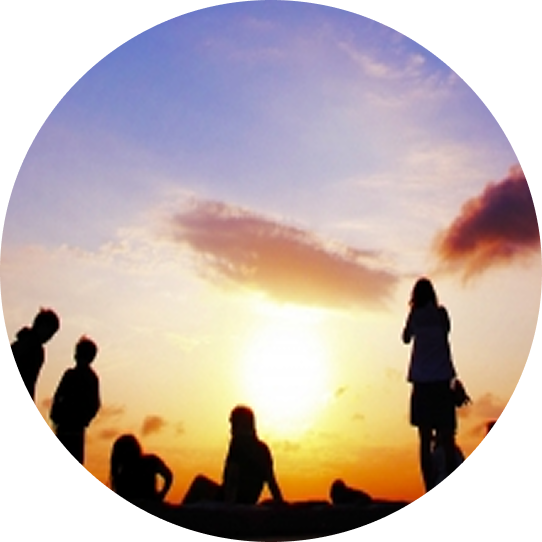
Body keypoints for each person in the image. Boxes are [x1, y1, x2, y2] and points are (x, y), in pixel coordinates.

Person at [402, 277, 459, 493]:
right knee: (447, 439)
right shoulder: (441, 314)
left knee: (425, 442)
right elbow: (446, 331)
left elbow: (405, 338)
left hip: (422, 384)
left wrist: (413, 316)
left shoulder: (415, 316)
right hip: (442, 382)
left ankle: (428, 486)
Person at [182, 405, 284, 505]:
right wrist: (281, 504)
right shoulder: (263, 449)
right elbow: (272, 482)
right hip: (249, 501)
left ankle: (180, 513)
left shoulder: (238, 444)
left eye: (234, 424)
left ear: (241, 424)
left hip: (232, 501)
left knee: (200, 483)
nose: (231, 429)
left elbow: (232, 477)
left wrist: (229, 508)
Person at [50, 336, 101, 464]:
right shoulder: (73, 375)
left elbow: (94, 405)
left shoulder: (87, 378)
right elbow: (57, 397)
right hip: (66, 426)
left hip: (74, 428)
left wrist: (82, 419)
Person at [10, 308, 60, 402]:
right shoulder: (32, 347)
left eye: (52, 334)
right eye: (50, 331)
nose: (49, 337)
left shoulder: (21, 343)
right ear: (41, 326)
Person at [110, 434, 173, 501]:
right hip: (150, 502)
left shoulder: (123, 474)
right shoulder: (150, 461)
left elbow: (169, 475)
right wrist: (162, 495)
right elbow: (168, 475)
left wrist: (162, 495)